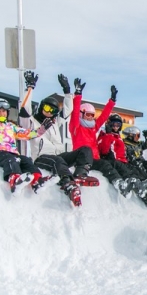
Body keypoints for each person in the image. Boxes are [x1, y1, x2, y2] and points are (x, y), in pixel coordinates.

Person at [19, 71, 96, 207]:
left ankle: (81, 174)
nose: (49, 112)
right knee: (58, 161)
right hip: (42, 158)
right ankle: (68, 184)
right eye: (47, 108)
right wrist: (30, 87)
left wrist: (67, 91)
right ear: (41, 107)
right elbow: (24, 107)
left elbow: (67, 109)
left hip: (59, 155)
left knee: (85, 150)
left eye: (53, 111)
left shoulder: (54, 123)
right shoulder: (30, 123)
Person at [69, 78, 127, 195]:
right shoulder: (76, 127)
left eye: (92, 115)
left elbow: (104, 116)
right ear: (82, 114)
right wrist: (78, 94)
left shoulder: (93, 127)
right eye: (88, 114)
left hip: (95, 159)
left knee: (110, 164)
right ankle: (117, 182)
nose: (90, 117)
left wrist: (112, 100)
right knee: (105, 164)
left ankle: (124, 182)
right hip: (82, 159)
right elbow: (75, 112)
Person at [97, 113, 147, 200]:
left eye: (118, 124)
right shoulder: (104, 134)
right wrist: (108, 135)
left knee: (134, 168)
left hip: (123, 160)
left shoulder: (118, 137)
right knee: (124, 168)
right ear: (109, 124)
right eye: (113, 124)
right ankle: (135, 184)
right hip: (112, 160)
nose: (116, 126)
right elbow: (103, 150)